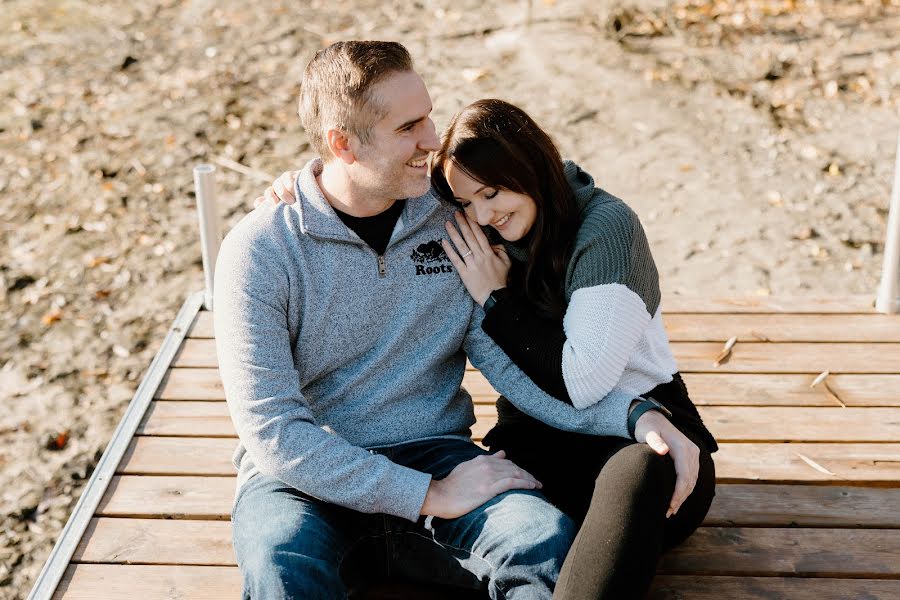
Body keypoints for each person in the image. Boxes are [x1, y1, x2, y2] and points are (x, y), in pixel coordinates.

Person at [216, 40, 675, 600]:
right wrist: (427, 494)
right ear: (344, 145)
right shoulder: (261, 251)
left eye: (429, 115)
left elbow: (511, 366)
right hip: (303, 478)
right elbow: (273, 432)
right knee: (281, 565)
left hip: (437, 451)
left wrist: (634, 415)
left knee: (541, 538)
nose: (433, 139)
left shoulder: (451, 221)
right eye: (409, 127)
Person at [430, 98, 719, 599]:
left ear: (528, 165)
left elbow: (582, 382)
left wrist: (498, 301)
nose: (482, 214)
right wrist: (297, 185)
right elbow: (376, 191)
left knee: (648, 463)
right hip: (535, 435)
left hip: (646, 432)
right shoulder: (477, 230)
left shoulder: (605, 230)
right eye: (466, 203)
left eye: (492, 192)